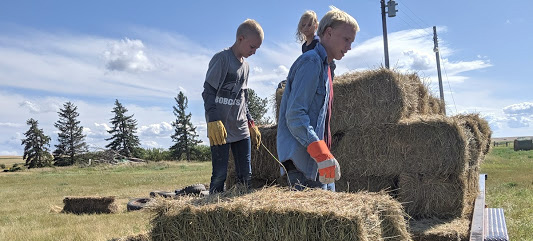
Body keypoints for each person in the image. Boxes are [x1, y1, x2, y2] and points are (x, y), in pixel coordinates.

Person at [277, 6, 359, 191]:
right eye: (346, 39)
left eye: (351, 41)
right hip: (303, 163)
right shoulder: (311, 62)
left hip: (317, 159)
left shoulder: (326, 68)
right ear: (328, 33)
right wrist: (321, 154)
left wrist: (324, 155)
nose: (349, 47)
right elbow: (295, 115)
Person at [202, 19, 263, 194]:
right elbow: (208, 92)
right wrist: (213, 120)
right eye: (252, 47)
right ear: (240, 39)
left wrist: (251, 121)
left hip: (240, 126)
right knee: (220, 174)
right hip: (220, 127)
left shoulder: (246, 67)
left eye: (257, 48)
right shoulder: (221, 59)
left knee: (246, 174)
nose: (254, 52)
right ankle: (213, 209)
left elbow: (242, 96)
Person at [296, 10, 337, 79]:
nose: (306, 27)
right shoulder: (304, 46)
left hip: (324, 72)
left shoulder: (318, 42)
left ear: (316, 26)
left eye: (309, 25)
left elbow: (328, 59)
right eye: (303, 25)